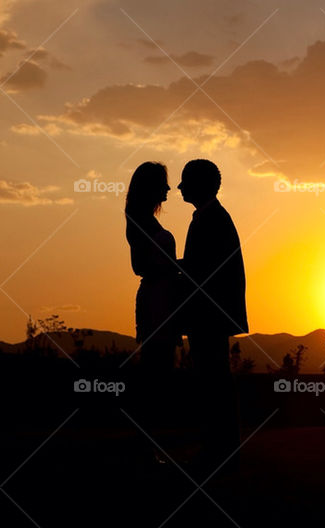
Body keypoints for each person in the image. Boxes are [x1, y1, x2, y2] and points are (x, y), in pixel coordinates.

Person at [177, 159, 247, 464]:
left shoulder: (213, 219)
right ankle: (220, 444)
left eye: (185, 181)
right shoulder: (210, 217)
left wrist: (170, 267)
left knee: (213, 378)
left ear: (200, 184)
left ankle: (221, 446)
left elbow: (204, 270)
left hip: (209, 315)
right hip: (209, 314)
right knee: (212, 378)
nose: (179, 186)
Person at [124, 161, 180, 462]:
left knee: (159, 374)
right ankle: (145, 447)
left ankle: (148, 445)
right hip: (156, 301)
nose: (169, 188)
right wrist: (173, 269)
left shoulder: (142, 219)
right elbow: (139, 265)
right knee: (155, 374)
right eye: (163, 183)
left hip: (164, 299)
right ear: (151, 187)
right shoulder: (139, 220)